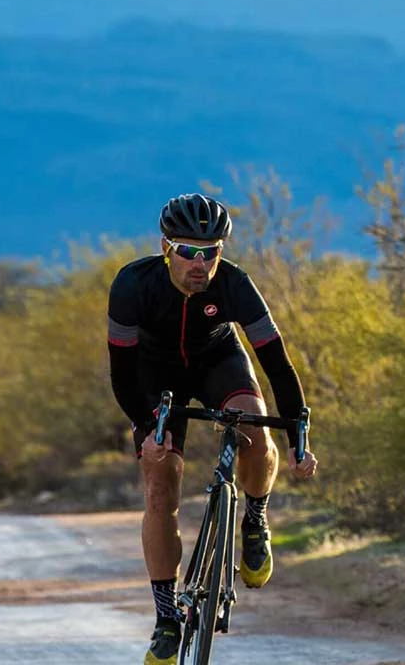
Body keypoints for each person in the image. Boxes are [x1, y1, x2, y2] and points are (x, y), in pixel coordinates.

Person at [107, 193, 319, 665]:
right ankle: (166, 618)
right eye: (187, 251)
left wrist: (298, 439)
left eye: (211, 252)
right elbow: (121, 373)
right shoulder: (132, 285)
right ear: (166, 248)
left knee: (255, 432)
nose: (199, 263)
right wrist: (147, 427)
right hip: (154, 373)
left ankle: (255, 518)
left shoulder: (236, 285)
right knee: (160, 479)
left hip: (217, 361)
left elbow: (278, 367)